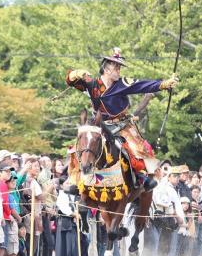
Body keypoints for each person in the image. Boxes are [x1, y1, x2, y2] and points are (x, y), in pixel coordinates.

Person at [65, 47, 179, 190]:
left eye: (119, 68)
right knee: (82, 144)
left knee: (134, 148)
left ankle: (141, 177)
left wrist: (164, 84)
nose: (119, 71)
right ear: (106, 70)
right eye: (116, 68)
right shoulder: (92, 84)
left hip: (121, 125)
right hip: (99, 124)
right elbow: (70, 81)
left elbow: (142, 85)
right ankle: (75, 180)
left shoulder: (122, 84)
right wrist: (76, 73)